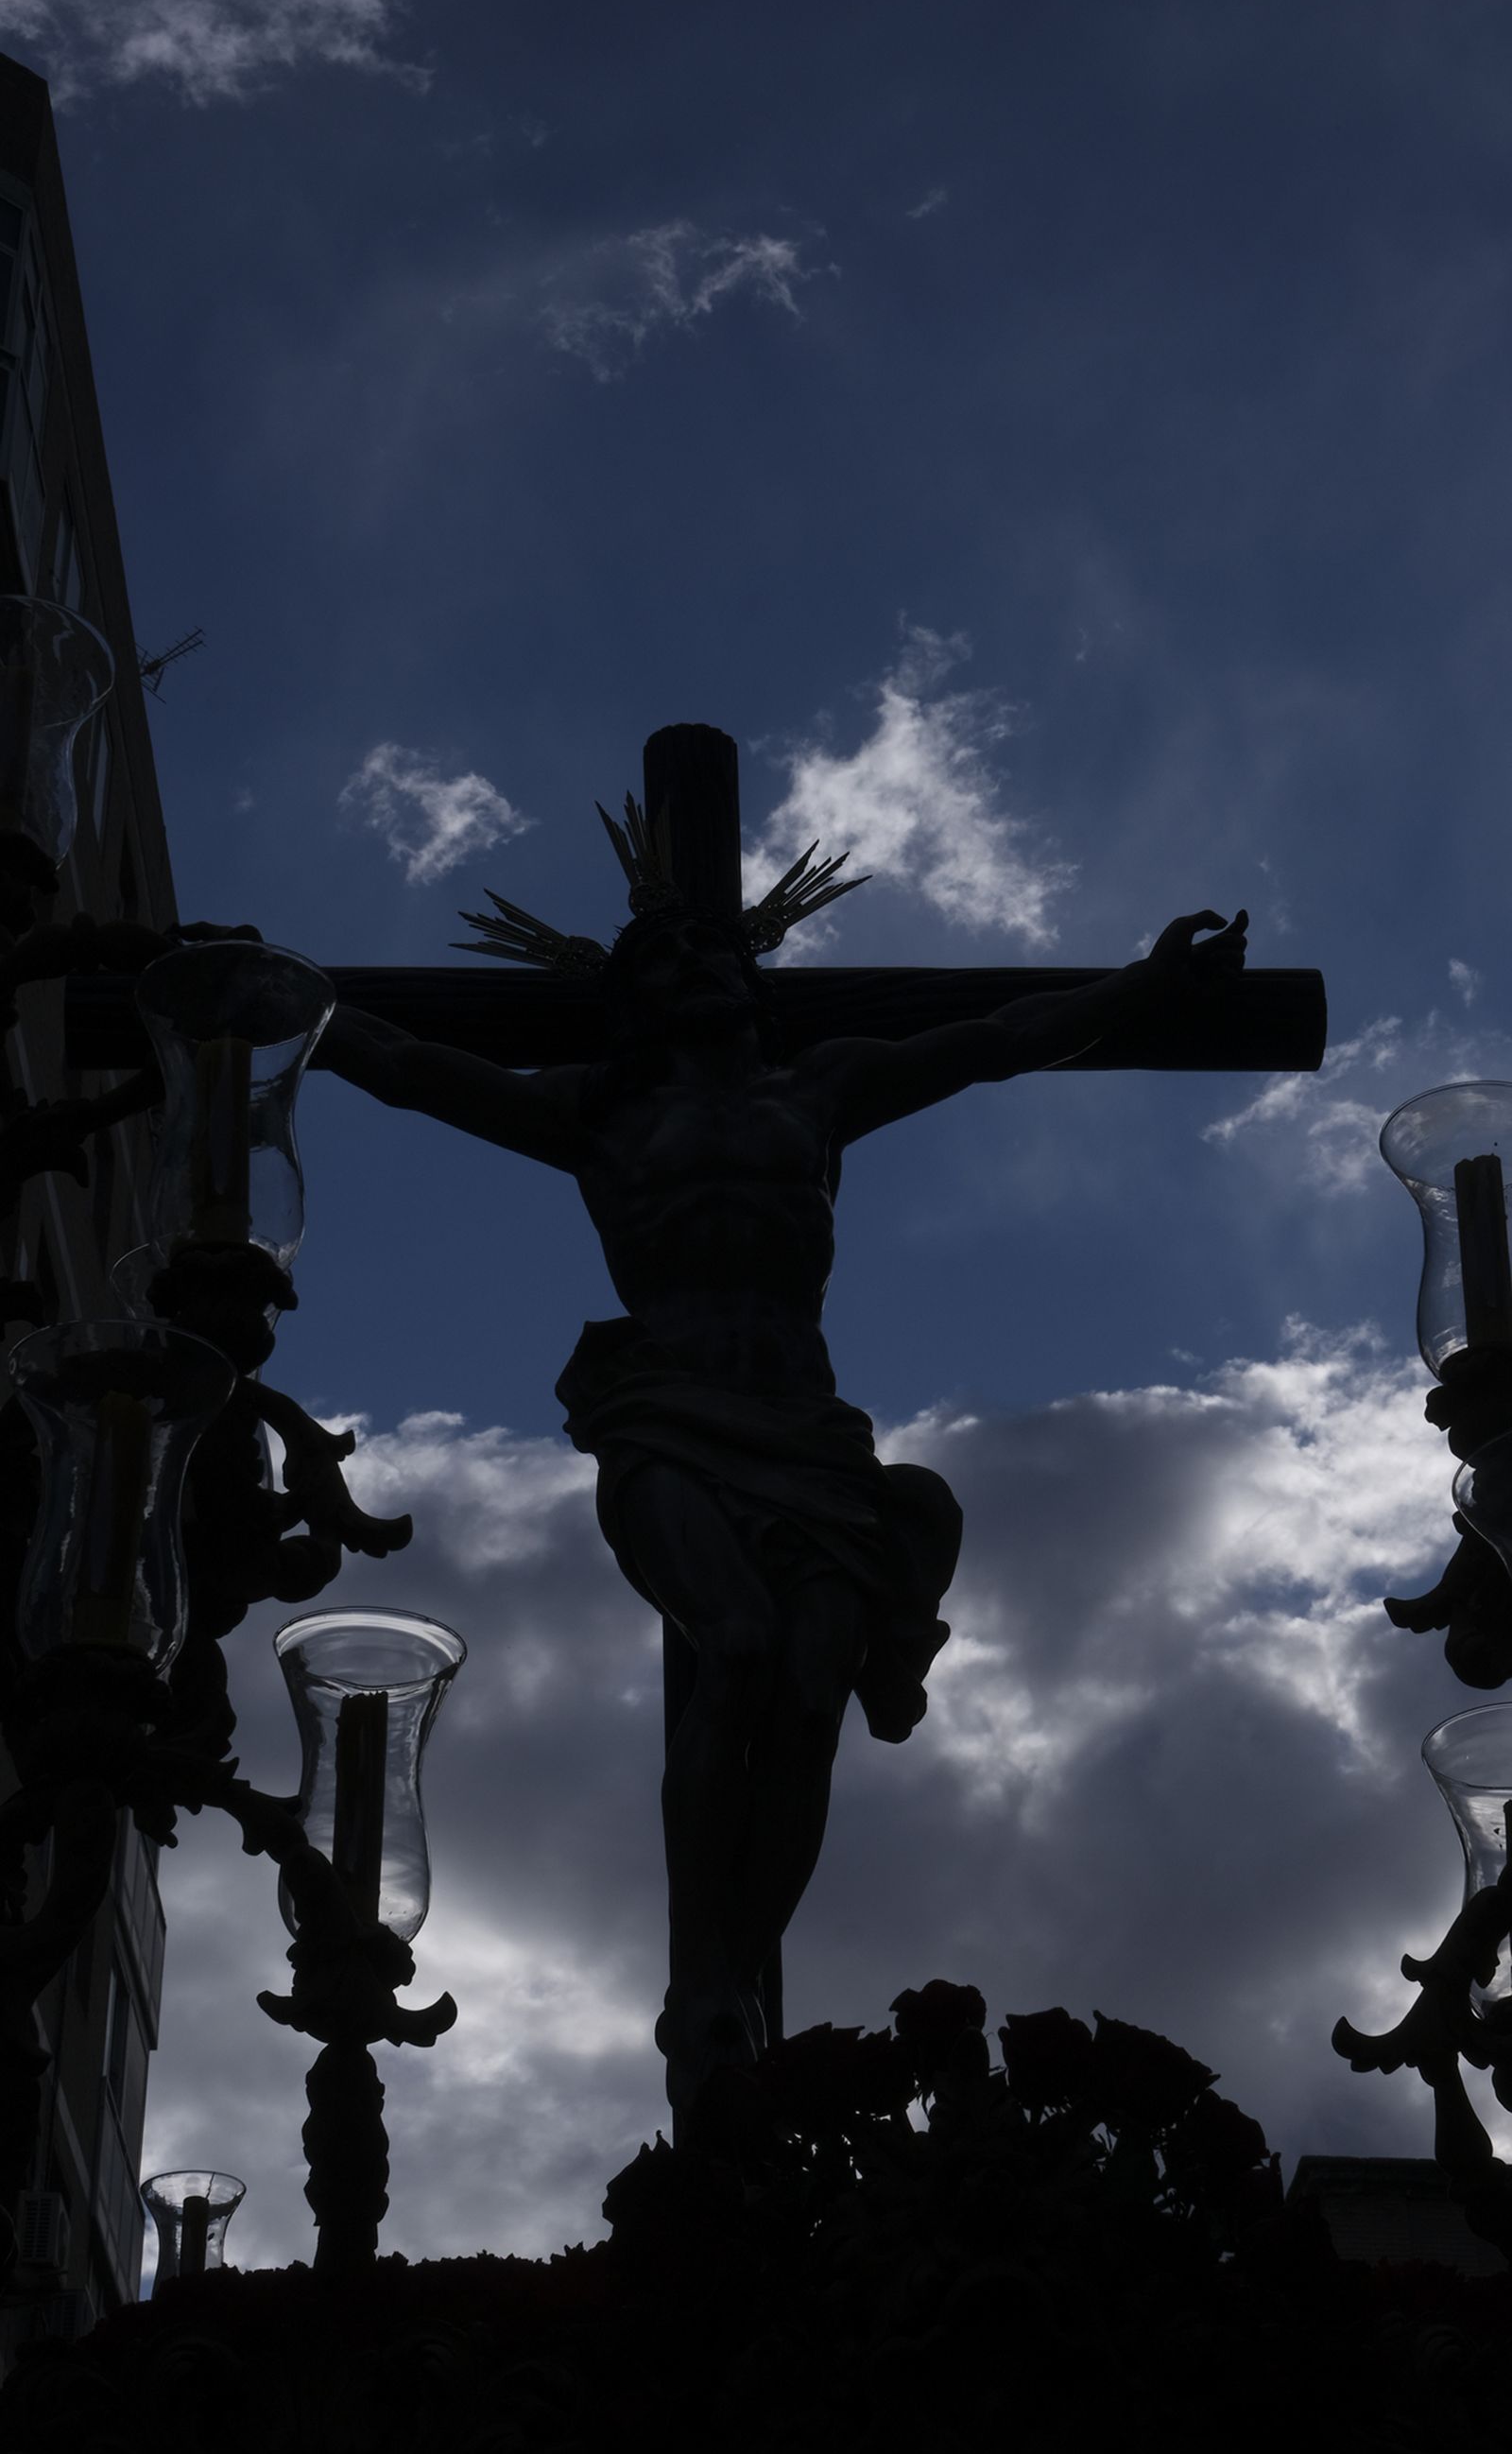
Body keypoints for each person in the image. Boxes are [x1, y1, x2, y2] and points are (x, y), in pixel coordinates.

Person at [316, 861, 1246, 2116]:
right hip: (663, 1410)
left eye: (712, 948)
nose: (697, 965)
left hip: (805, 1426)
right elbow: (416, 1068)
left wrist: (1142, 984)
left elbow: (993, 1041)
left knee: (812, 1681)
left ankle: (737, 1969)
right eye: (663, 958)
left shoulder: (823, 1088)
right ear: (629, 1000)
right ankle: (705, 1978)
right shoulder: (594, 1111)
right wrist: (288, 1009)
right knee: (739, 1646)